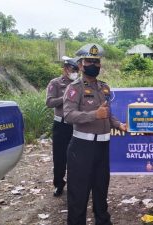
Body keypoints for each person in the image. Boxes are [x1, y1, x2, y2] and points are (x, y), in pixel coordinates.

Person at [63, 43, 126, 225]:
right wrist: (93, 115)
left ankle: (103, 222)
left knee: (101, 190)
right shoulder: (75, 88)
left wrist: (118, 125)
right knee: (78, 193)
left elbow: (107, 113)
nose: (94, 65)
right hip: (82, 148)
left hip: (102, 147)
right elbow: (68, 115)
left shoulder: (104, 87)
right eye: (90, 61)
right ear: (81, 64)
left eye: (97, 62)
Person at [45, 56, 79, 197]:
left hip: (76, 125)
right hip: (61, 125)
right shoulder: (56, 83)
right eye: (72, 69)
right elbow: (49, 102)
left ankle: (75, 184)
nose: (75, 72)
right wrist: (65, 97)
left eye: (77, 70)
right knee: (59, 157)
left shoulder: (80, 84)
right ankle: (59, 184)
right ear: (65, 69)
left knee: (76, 156)